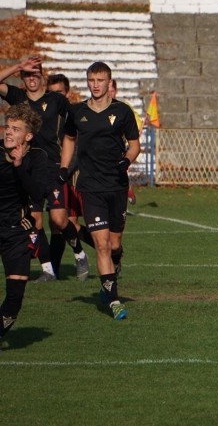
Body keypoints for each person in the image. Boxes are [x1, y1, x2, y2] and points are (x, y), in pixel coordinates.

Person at [60, 62, 140, 320]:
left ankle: (116, 265)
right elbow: (69, 138)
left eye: (100, 80)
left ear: (109, 83)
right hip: (90, 187)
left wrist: (126, 160)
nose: (95, 84)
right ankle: (114, 300)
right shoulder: (77, 112)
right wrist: (64, 167)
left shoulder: (123, 111)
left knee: (114, 244)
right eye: (91, 79)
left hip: (116, 186)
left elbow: (134, 145)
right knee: (101, 244)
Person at [0, 57, 90, 282]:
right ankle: (48, 270)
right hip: (25, 166)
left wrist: (64, 165)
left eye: (35, 74)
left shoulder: (56, 100)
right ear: (22, 78)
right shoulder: (18, 97)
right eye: (27, 75)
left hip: (51, 168)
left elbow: (72, 133)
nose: (31, 78)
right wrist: (18, 66)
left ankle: (79, 253)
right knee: (34, 220)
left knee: (60, 220)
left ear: (42, 76)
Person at [0, 104, 49, 349]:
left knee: (16, 295)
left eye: (15, 129)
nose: (8, 132)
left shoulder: (37, 157)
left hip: (15, 232)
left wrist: (19, 167)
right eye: (7, 126)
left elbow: (38, 192)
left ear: (28, 136)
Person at [46, 74, 92, 252]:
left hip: (71, 175)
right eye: (51, 93)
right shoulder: (45, 115)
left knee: (68, 222)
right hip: (52, 174)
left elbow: (75, 147)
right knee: (55, 222)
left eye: (59, 92)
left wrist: (64, 172)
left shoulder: (74, 114)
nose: (55, 97)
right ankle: (54, 271)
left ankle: (108, 250)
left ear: (67, 93)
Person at [108, 79, 142, 206]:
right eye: (108, 90)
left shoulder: (124, 108)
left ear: (115, 91)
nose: (110, 93)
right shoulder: (98, 107)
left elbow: (136, 124)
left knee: (118, 169)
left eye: (112, 90)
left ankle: (124, 190)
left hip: (120, 145)